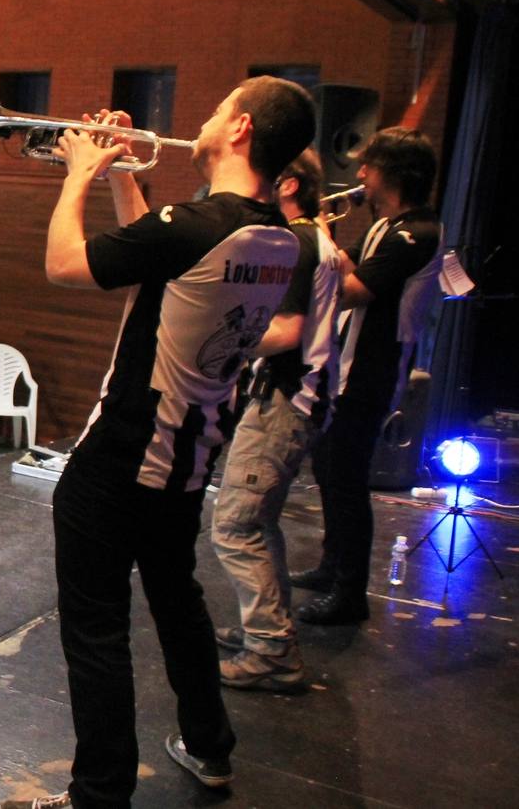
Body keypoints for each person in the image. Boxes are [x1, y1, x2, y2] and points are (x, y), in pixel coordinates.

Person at [6, 77, 314, 809]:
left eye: (212, 108)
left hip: (117, 458)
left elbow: (63, 265)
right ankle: (209, 746)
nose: (198, 121)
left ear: (238, 129)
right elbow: (166, 261)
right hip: (185, 460)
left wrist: (79, 172)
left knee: (95, 628)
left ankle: (98, 793)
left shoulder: (195, 222)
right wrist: (120, 175)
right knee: (177, 603)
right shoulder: (279, 240)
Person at [292, 128, 442, 625]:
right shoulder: (386, 226)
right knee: (328, 469)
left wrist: (315, 229)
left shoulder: (415, 233)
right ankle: (333, 566)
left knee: (348, 478)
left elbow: (351, 289)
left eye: (369, 167)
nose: (360, 176)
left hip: (374, 371)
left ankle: (349, 592)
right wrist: (318, 235)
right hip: (348, 366)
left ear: (392, 174)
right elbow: (344, 264)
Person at [209, 148, 340, 691]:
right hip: (300, 396)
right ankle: (267, 630)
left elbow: (286, 333)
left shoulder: (299, 242)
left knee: (235, 525)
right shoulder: (320, 240)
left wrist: (222, 339)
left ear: (287, 185)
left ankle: (271, 650)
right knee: (258, 521)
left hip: (286, 397)